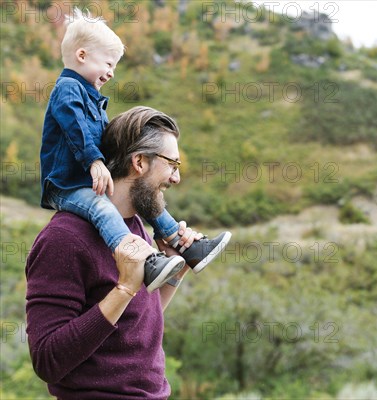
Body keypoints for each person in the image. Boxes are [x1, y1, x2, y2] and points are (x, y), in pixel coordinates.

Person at [27, 105, 216, 398]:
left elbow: (136, 323)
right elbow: (47, 360)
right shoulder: (63, 238)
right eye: (172, 165)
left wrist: (176, 268)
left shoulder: (133, 225)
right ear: (139, 162)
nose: (176, 178)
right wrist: (125, 287)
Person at [40, 8, 231, 292]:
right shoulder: (67, 89)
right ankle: (143, 260)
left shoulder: (92, 98)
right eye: (108, 63)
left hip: (86, 180)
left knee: (147, 200)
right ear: (82, 56)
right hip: (65, 185)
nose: (112, 72)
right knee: (102, 208)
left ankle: (184, 247)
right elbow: (75, 128)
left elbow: (148, 323)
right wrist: (94, 161)